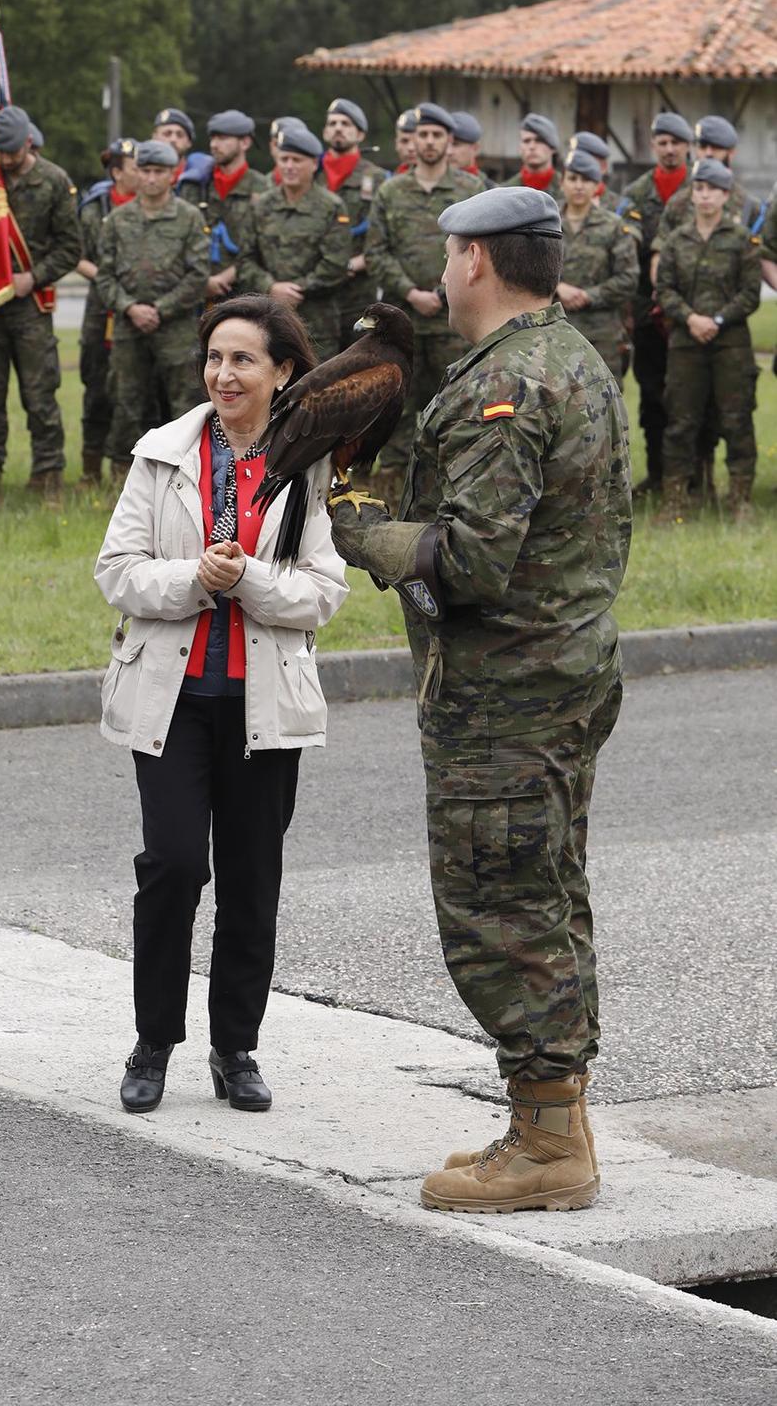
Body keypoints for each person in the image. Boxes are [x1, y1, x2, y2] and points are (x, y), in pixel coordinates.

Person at [328, 187, 631, 1214]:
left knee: (499, 907)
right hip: (560, 673)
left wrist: (363, 530)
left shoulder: (505, 385)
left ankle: (548, 1145)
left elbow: (470, 560)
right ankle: (553, 1119)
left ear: (474, 263)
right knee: (545, 890)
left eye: (450, 251)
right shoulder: (571, 356)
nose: (443, 268)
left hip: (505, 695)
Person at [94, 294, 348, 1116]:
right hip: (170, 700)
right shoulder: (161, 454)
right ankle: (152, 1041)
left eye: (243, 359)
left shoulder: (310, 462)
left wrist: (249, 579)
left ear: (283, 372)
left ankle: (235, 1048)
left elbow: (321, 594)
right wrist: (191, 578)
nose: (223, 373)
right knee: (170, 867)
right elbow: (117, 571)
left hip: (263, 707)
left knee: (251, 881)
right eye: (214, 357)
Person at [363, 102, 485, 500]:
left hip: (455, 320)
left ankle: (452, 489)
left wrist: (443, 291)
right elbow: (377, 253)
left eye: (437, 135)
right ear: (412, 141)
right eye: (423, 135)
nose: (430, 142)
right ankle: (392, 490)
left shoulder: (471, 190)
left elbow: (482, 251)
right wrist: (411, 292)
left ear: (450, 142)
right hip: (403, 322)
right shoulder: (390, 192)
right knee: (396, 407)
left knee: (455, 406)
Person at [0, 104, 80, 510]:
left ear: (28, 142)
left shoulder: (53, 181)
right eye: (0, 151)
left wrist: (33, 277)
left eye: (12, 152)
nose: (6, 159)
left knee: (40, 394)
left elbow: (71, 248)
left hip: (30, 305)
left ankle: (48, 478)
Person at [653, 159, 762, 523]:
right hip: (686, 343)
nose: (704, 195)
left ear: (725, 195)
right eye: (699, 188)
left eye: (712, 189)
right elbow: (664, 289)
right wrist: (690, 318)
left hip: (731, 344)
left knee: (737, 419)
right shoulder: (675, 239)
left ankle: (740, 500)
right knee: (681, 421)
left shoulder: (742, 240)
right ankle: (675, 501)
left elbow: (750, 294)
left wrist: (716, 320)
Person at [96, 139, 208, 476]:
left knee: (184, 403)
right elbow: (104, 276)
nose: (150, 178)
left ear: (172, 175)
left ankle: (186, 471)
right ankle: (122, 472)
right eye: (144, 171)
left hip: (175, 327)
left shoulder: (188, 218)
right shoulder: (117, 220)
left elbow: (198, 273)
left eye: (158, 171)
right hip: (130, 326)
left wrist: (160, 308)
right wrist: (130, 308)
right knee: (126, 399)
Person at [617, 111, 693, 495]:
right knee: (652, 396)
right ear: (653, 146)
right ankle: (660, 475)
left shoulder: (703, 187)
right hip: (649, 313)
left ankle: (697, 478)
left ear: (686, 146)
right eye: (661, 143)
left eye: (675, 143)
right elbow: (628, 247)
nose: (668, 149)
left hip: (690, 310)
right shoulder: (636, 192)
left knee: (694, 397)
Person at [236, 121, 353, 360]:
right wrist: (271, 287)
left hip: (316, 324)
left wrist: (296, 289)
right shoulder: (262, 206)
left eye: (296, 160)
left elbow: (336, 263)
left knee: (317, 392)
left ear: (313, 163)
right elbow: (245, 259)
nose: (289, 166)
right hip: (267, 320)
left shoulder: (331, 206)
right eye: (284, 159)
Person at [75, 138, 139, 488]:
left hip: (137, 308)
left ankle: (125, 464)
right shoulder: (94, 207)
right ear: (117, 173)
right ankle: (90, 465)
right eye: (134, 168)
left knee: (130, 388)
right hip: (102, 306)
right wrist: (106, 278)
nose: (142, 174)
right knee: (96, 384)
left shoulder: (150, 204)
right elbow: (77, 254)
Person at [556, 150, 638, 381]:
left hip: (601, 335)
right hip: (554, 330)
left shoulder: (613, 227)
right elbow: (527, 271)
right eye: (573, 179)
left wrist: (589, 295)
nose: (579, 186)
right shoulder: (547, 223)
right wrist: (557, 288)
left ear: (597, 186)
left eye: (586, 180)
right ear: (562, 183)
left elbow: (628, 278)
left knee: (603, 404)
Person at [317, 98, 387, 344]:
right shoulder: (311, 174)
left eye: (346, 123)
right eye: (333, 123)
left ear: (360, 134)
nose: (338, 128)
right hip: (317, 293)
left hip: (359, 291)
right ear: (325, 131)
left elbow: (385, 233)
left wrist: (356, 263)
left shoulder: (377, 178)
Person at [202, 110, 263, 299]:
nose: (214, 145)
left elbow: (266, 245)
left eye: (222, 138)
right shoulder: (199, 185)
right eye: (212, 138)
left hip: (246, 294)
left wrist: (226, 277)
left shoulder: (263, 188)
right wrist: (204, 281)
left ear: (245, 143)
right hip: (198, 294)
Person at [152, 107, 212, 208]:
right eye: (167, 134)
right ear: (154, 137)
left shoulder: (202, 178)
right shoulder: (140, 175)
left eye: (180, 135)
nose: (173, 139)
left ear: (189, 142)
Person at [503, 112, 563, 198]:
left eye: (539, 141)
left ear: (552, 147)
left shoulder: (568, 190)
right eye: (526, 141)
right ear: (520, 148)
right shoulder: (506, 191)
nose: (532, 146)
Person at [449, 112, 488, 184]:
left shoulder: (487, 189)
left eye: (456, 144)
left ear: (475, 148)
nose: (449, 151)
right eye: (446, 145)